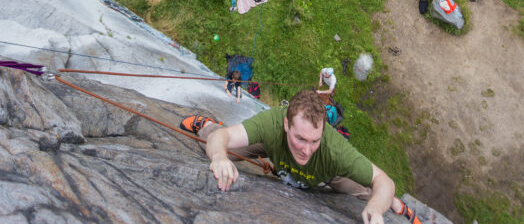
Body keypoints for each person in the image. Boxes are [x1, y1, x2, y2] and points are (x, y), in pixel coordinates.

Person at [180, 90, 421, 224]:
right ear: (286, 124)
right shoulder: (271, 124)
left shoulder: (333, 150)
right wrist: (221, 157)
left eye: (314, 140)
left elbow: (384, 180)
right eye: (300, 139)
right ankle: (206, 123)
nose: (306, 149)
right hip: (271, 148)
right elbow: (224, 137)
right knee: (212, 141)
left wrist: (378, 207)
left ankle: (395, 204)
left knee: (370, 194)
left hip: (327, 172)